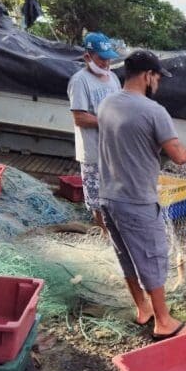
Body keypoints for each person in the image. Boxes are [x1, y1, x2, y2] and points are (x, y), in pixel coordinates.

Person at [97, 50, 186, 340]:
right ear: (147, 76)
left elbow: (132, 142)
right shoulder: (153, 111)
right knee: (152, 257)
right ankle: (164, 322)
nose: (158, 83)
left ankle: (143, 309)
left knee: (126, 257)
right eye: (157, 77)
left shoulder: (107, 103)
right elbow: (179, 156)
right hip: (136, 199)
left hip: (108, 195)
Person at [67, 32, 121, 231]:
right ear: (87, 57)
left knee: (115, 195)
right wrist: (107, 121)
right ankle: (104, 235)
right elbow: (79, 117)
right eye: (101, 58)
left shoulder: (113, 78)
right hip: (93, 152)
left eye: (108, 58)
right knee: (97, 200)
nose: (106, 63)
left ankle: (115, 232)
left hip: (113, 150)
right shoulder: (79, 81)